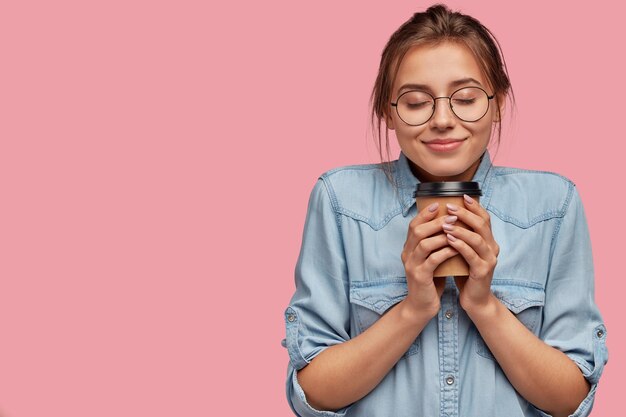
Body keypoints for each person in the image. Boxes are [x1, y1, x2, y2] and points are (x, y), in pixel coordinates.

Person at [282, 4, 608, 417]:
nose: (442, 120)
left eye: (466, 98)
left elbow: (570, 401)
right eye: (416, 102)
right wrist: (413, 308)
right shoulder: (340, 200)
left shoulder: (553, 205)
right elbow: (312, 396)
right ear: (388, 110)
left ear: (498, 102)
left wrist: (484, 305)